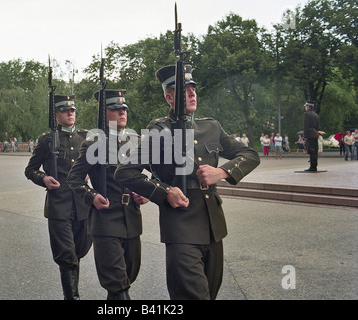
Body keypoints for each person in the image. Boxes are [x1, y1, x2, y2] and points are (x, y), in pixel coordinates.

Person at [114, 65, 260, 300]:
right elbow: (125, 172)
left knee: (210, 294)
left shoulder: (211, 127)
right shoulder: (159, 130)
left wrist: (221, 172)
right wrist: (165, 191)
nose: (192, 93)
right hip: (180, 226)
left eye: (193, 88)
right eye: (184, 90)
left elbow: (250, 155)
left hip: (213, 227)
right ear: (168, 97)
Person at [67, 89, 148, 300]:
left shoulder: (136, 140)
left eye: (124, 109)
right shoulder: (93, 143)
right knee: (117, 284)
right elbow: (74, 179)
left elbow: (155, 175)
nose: (122, 112)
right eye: (115, 109)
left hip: (131, 218)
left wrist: (147, 193)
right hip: (105, 219)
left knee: (127, 278)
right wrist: (91, 196)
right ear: (104, 113)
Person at [24, 95, 91, 300]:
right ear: (57, 115)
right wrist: (43, 179)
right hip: (59, 205)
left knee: (79, 251)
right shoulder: (47, 139)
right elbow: (30, 169)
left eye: (72, 110)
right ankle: (72, 297)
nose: (70, 114)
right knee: (67, 256)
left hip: (83, 205)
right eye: (65, 111)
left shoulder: (86, 137)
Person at [303, 100, 320, 171]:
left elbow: (306, 126)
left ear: (308, 107)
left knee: (311, 151)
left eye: (306, 106)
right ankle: (315, 165)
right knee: (315, 151)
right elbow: (318, 126)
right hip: (315, 133)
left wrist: (305, 136)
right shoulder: (316, 115)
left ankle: (312, 167)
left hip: (310, 134)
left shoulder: (307, 114)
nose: (305, 107)